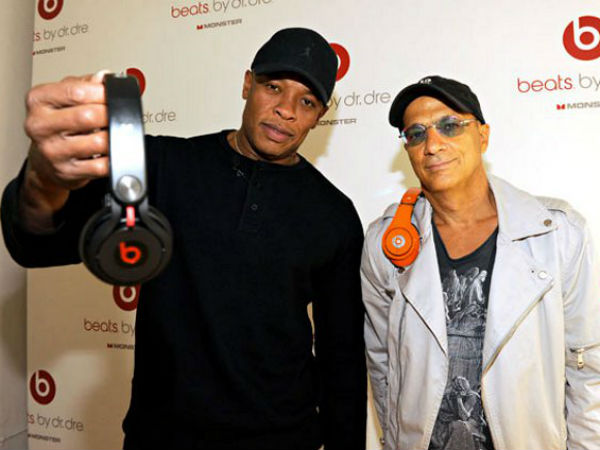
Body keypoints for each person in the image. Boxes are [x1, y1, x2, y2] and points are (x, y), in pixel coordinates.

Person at [1, 28, 366, 450]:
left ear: (319, 115)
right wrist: (43, 181)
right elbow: (37, 244)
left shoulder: (334, 215)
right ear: (247, 84)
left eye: (307, 101)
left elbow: (342, 359)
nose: (286, 110)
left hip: (283, 439)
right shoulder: (160, 166)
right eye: (273, 87)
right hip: (162, 437)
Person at [361, 75, 600, 449]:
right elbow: (383, 366)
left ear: (483, 136)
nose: (432, 145)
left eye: (450, 126)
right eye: (416, 134)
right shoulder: (385, 242)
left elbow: (588, 368)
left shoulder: (557, 232)